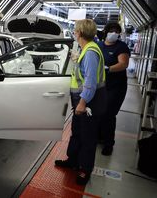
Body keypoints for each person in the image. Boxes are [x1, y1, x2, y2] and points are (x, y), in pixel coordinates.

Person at [55, 19, 107, 185]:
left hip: (89, 100)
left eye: (75, 30)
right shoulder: (87, 49)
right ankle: (73, 161)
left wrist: (83, 102)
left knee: (88, 136)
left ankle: (84, 169)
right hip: (83, 98)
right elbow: (83, 75)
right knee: (77, 131)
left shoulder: (90, 52)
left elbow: (90, 82)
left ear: (80, 33)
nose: (74, 32)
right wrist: (77, 60)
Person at [97, 22, 130, 156]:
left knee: (109, 114)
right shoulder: (99, 45)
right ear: (105, 32)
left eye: (117, 31)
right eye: (112, 30)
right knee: (98, 112)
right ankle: (99, 137)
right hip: (101, 85)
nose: (114, 33)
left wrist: (108, 69)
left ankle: (108, 143)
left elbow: (123, 64)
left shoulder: (121, 46)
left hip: (116, 87)